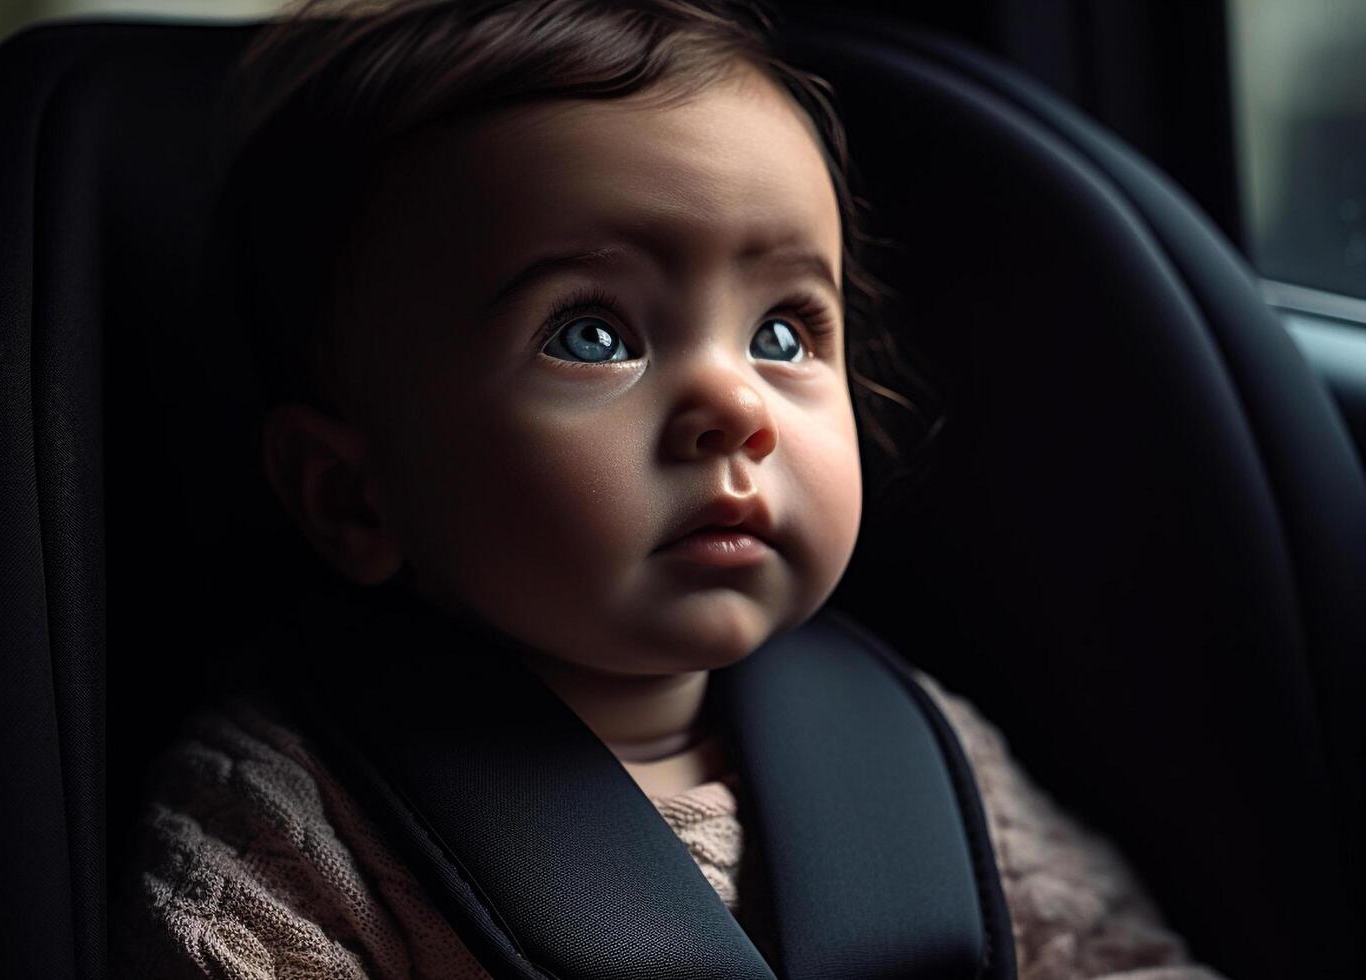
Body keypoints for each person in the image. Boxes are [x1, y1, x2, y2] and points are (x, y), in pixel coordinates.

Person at [109, 1, 1227, 977]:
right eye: (593, 334)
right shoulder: (279, 835)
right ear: (354, 497)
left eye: (783, 329)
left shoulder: (917, 745)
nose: (733, 405)